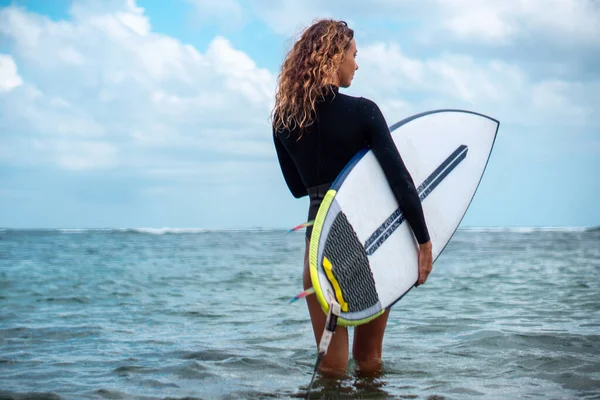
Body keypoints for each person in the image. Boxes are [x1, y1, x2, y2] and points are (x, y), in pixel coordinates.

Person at [271, 19, 433, 378]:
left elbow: (297, 188)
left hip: (320, 245)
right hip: (367, 241)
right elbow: (400, 181)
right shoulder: (364, 112)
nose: (356, 64)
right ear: (334, 57)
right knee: (369, 359)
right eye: (353, 55)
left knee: (332, 366)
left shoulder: (284, 118)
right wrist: (423, 241)